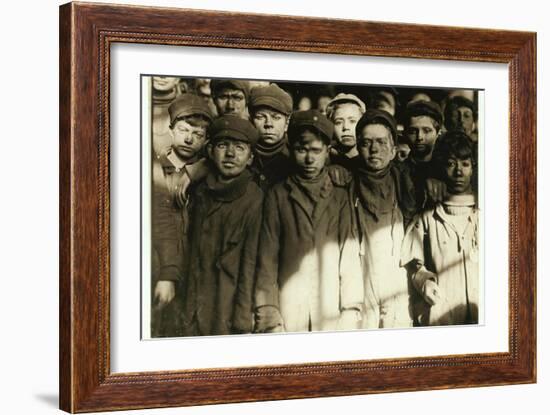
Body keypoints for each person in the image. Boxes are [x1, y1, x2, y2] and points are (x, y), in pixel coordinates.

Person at [254, 110, 364, 334]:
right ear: (291, 149)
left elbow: (349, 257)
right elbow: (267, 260)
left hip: (330, 308)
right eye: (301, 150)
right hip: (289, 310)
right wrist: (269, 315)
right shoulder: (278, 195)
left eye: (316, 150)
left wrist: (350, 310)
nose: (309, 158)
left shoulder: (340, 197)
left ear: (327, 152)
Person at [182, 115, 263, 336]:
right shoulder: (199, 193)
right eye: (222, 145)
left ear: (250, 158)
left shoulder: (255, 199)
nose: (230, 154)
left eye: (239, 148)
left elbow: (250, 263)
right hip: (194, 304)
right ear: (210, 152)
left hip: (227, 308)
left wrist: (242, 319)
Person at [401, 130, 479, 326]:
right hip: (443, 312)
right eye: (451, 164)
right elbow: (413, 263)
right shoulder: (429, 215)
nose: (459, 172)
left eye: (465, 164)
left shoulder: (484, 212)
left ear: (474, 167)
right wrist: (425, 281)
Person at [151, 93, 213, 337]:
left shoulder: (208, 172)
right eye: (184, 129)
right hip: (160, 264)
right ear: (171, 129)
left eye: (198, 135)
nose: (189, 138)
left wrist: (197, 169)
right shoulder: (154, 167)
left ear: (207, 139)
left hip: (195, 267)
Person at [353, 109, 414, 328]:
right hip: (360, 271)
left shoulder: (406, 183)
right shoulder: (347, 182)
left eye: (381, 142)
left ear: (393, 150)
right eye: (366, 142)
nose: (374, 149)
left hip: (396, 270)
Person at [248, 83, 294, 190]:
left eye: (276, 117)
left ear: (286, 123)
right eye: (261, 117)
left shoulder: (295, 157)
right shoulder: (241, 154)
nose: (268, 124)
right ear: (251, 121)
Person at [401, 100, 445, 208]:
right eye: (412, 131)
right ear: (405, 134)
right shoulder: (397, 172)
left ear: (438, 133)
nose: (419, 137)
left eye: (426, 130)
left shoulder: (446, 169)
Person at [326, 93, 366, 172]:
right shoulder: (326, 158)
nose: (346, 127)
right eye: (338, 122)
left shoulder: (368, 158)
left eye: (352, 121)